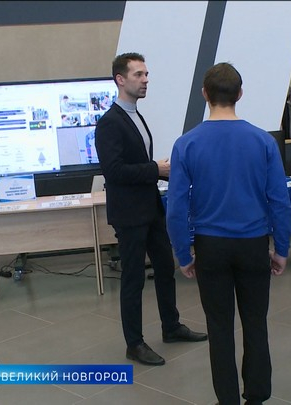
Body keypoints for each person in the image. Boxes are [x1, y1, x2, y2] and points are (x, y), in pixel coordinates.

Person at [167, 62, 291, 405]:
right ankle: (257, 395)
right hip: (253, 244)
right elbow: (279, 200)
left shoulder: (186, 144)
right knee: (256, 322)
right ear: (240, 94)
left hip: (211, 247)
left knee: (219, 327)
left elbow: (176, 207)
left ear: (204, 94)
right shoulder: (263, 141)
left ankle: (227, 399)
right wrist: (282, 249)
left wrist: (183, 253)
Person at [95, 52, 207, 367]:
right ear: (120, 79)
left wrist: (160, 171)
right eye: (139, 74)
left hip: (151, 208)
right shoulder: (109, 123)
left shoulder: (136, 116)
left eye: (146, 74)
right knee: (133, 279)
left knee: (165, 268)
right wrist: (156, 169)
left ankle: (171, 326)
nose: (146, 80)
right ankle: (134, 343)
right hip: (129, 214)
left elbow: (135, 165)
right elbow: (114, 171)